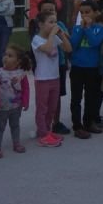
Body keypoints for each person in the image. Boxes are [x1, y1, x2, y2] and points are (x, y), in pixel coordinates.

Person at [32, 10, 72, 147]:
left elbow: (68, 49)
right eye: (51, 22)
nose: (54, 25)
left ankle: (47, 131)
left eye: (55, 22)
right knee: (42, 107)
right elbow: (48, 49)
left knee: (52, 107)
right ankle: (43, 134)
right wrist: (53, 35)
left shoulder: (54, 37)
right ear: (41, 24)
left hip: (55, 77)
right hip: (42, 79)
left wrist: (62, 35)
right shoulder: (37, 39)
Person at [69, 0, 103, 138]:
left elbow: (95, 43)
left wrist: (87, 29)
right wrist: (82, 29)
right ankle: (77, 126)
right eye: (82, 13)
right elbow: (73, 44)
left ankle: (88, 122)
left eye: (87, 12)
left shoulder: (101, 29)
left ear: (96, 13)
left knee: (91, 97)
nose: (84, 15)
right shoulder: (77, 28)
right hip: (77, 67)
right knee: (76, 98)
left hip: (92, 67)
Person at [0, 44, 31, 158]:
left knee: (15, 126)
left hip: (16, 107)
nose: (6, 57)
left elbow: (26, 88)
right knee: (0, 128)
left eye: (10, 55)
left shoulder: (21, 74)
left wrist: (25, 101)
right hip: (1, 108)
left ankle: (16, 143)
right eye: (5, 54)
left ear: (18, 61)